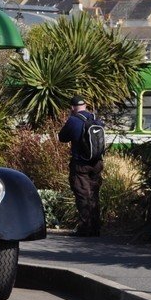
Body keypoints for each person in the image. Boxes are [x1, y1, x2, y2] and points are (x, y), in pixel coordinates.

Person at [58, 95, 104, 237]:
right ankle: (96, 227)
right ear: (85, 105)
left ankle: (86, 228)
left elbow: (62, 137)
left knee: (83, 194)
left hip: (81, 164)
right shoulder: (96, 119)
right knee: (94, 194)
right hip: (97, 163)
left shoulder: (73, 120)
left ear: (72, 107)